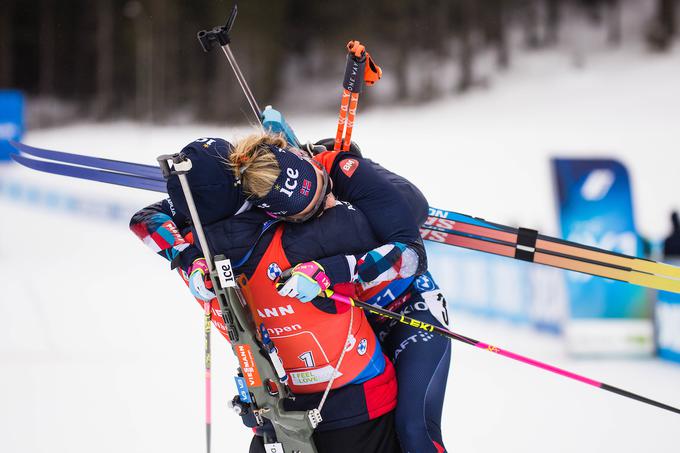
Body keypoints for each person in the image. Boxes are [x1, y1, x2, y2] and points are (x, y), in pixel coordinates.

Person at [130, 138, 401, 453]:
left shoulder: (188, 253)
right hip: (359, 409)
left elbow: (145, 218)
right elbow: (398, 242)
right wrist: (337, 164)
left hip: (275, 422)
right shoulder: (312, 236)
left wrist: (190, 260)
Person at [227, 132, 451, 453]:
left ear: (308, 162)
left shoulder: (343, 169)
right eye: (312, 212)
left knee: (413, 429)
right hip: (360, 329)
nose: (328, 203)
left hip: (408, 311)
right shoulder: (265, 207)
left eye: (324, 188)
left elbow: (413, 254)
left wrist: (333, 270)